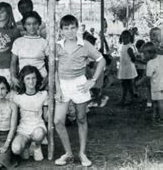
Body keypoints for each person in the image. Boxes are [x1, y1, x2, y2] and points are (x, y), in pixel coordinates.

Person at [54, 15, 105, 167]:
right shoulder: (58, 46)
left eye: (72, 28)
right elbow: (55, 70)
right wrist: (58, 89)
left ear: (77, 28)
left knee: (81, 118)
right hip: (63, 85)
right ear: (61, 30)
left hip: (80, 84)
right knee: (58, 120)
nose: (70, 31)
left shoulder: (85, 45)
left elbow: (101, 60)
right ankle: (68, 153)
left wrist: (93, 81)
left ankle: (82, 153)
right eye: (66, 28)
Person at [11, 66, 48, 162]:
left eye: (33, 78)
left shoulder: (43, 94)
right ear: (23, 80)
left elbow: (46, 117)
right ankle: (27, 145)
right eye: (28, 78)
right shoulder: (18, 97)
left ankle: (36, 145)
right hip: (23, 129)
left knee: (39, 134)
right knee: (16, 149)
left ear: (37, 79)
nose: (31, 81)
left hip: (38, 127)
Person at [10, 11, 49, 89]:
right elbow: (13, 63)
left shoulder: (44, 42)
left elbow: (51, 63)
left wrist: (48, 77)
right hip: (24, 79)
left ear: (39, 24)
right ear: (24, 25)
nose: (32, 27)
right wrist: (13, 77)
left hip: (41, 80)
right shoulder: (18, 42)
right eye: (28, 24)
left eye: (35, 23)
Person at [117, 30, 138, 105]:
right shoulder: (123, 46)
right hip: (124, 68)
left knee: (129, 85)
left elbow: (133, 58)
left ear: (129, 38)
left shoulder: (129, 47)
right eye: (123, 38)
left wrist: (131, 61)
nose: (125, 39)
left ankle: (131, 99)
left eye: (126, 38)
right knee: (124, 84)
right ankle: (124, 99)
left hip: (128, 68)